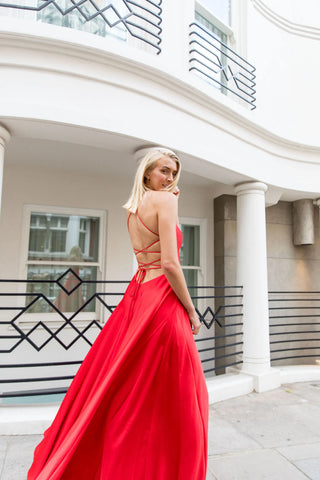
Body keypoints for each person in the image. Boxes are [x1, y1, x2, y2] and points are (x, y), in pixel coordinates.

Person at [28, 147, 209, 480]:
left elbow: (149, 257)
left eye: (173, 173)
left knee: (132, 387)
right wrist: (192, 309)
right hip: (162, 302)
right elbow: (169, 263)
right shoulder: (166, 201)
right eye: (163, 171)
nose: (169, 178)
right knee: (184, 393)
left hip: (139, 297)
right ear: (147, 173)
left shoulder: (133, 209)